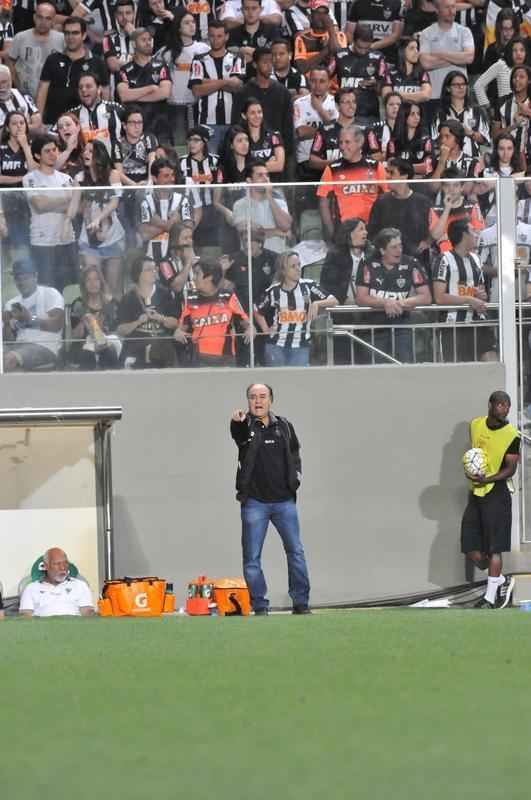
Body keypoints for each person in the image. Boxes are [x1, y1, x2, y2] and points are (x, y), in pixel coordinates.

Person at [230, 382, 311, 615]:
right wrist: (237, 422)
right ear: (248, 401)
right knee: (252, 558)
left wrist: (296, 478)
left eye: (262, 396)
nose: (258, 401)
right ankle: (260, 605)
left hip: (285, 502)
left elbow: (295, 454)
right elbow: (240, 435)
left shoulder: (284, 426)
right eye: (253, 397)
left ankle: (301, 603)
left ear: (271, 400)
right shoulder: (245, 426)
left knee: (295, 552)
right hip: (254, 503)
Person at [461, 390, 519, 609]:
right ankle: (500, 580)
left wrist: (489, 479)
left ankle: (490, 597)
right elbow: (475, 456)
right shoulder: (475, 425)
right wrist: (470, 472)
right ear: (491, 405)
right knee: (470, 547)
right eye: (501, 405)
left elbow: (510, 469)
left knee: (495, 548)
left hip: (497, 493)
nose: (504, 409)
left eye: (507, 406)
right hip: (476, 493)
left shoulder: (511, 435)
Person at [355, 227, 431, 363]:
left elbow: (425, 297)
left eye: (400, 246)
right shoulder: (368, 265)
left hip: (402, 324)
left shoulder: (411, 264)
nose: (399, 250)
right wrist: (385, 303)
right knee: (375, 368)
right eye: (394, 247)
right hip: (373, 326)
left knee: (404, 365)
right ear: (383, 250)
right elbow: (361, 298)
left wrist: (401, 303)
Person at [255, 249, 337, 366]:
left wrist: (317, 303)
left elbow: (334, 300)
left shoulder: (309, 286)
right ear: (283, 270)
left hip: (301, 346)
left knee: (297, 381)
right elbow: (258, 310)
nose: (298, 269)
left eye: (299, 265)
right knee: (278, 381)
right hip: (275, 345)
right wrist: (266, 330)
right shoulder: (274, 291)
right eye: (293, 266)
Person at [432, 219, 496, 362]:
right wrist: (469, 299)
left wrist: (481, 296)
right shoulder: (444, 259)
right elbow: (439, 297)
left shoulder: (476, 259)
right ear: (463, 235)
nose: (477, 234)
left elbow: (481, 292)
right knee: (460, 373)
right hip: (454, 325)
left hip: (478, 321)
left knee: (491, 361)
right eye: (473, 231)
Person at [22, 134, 79, 291]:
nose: (53, 154)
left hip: (66, 239)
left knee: (71, 287)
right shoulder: (30, 179)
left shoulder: (66, 178)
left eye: (54, 150)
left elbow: (77, 207)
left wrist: (52, 202)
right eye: (47, 151)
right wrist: (66, 200)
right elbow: (39, 205)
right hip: (42, 242)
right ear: (37, 155)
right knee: (47, 288)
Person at [174, 259, 252, 366]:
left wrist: (250, 329)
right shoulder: (191, 299)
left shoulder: (228, 297)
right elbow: (181, 328)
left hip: (226, 357)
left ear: (209, 277)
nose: (193, 278)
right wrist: (178, 332)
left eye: (197, 273)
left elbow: (246, 323)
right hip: (199, 358)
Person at [36, 16, 110, 126]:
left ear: (84, 35)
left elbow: (105, 95)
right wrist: (38, 119)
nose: (70, 37)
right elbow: (42, 91)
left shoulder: (97, 62)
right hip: (52, 123)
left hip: (85, 125)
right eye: (67, 33)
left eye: (75, 33)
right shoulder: (53, 59)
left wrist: (103, 122)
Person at [75, 139, 125, 298]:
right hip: (89, 240)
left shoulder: (113, 174)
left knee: (114, 289)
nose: (86, 154)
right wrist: (87, 212)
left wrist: (99, 219)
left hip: (112, 237)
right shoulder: (80, 177)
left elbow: (115, 202)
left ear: (100, 154)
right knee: (97, 288)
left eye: (90, 151)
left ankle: (115, 319)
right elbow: (78, 207)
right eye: (85, 151)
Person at [317, 124, 386, 238]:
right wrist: (333, 234)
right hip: (344, 232)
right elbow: (323, 204)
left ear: (360, 143)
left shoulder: (375, 166)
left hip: (373, 230)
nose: (342, 147)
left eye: (347, 142)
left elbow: (387, 198)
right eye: (340, 142)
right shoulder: (332, 169)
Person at [189, 20, 244, 155]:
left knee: (231, 163)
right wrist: (226, 82)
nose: (215, 40)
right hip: (207, 122)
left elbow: (237, 86)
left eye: (219, 36)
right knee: (211, 163)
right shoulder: (199, 59)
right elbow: (196, 90)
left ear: (226, 36)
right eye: (212, 36)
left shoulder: (236, 58)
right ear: (208, 36)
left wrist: (208, 82)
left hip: (232, 121)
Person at [155, 9, 209, 144]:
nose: (192, 25)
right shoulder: (166, 52)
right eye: (186, 23)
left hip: (197, 105)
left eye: (193, 22)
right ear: (178, 27)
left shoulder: (203, 49)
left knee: (197, 144)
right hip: (174, 106)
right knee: (180, 145)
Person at [117, 253, 179, 368]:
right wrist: (138, 322)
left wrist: (160, 318)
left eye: (154, 268)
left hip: (162, 352)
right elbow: (120, 330)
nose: (154, 271)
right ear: (139, 274)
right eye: (148, 269)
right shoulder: (128, 298)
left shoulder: (165, 294)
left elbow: (176, 323)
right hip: (135, 351)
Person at [2, 258, 64, 372]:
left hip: (45, 346)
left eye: (25, 277)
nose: (21, 282)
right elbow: (8, 339)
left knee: (10, 359)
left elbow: (57, 325)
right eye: (17, 278)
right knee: (10, 360)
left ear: (35, 276)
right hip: (17, 346)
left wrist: (30, 319)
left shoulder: (50, 293)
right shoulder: (11, 303)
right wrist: (6, 324)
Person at [419, 0, 474, 124]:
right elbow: (426, 63)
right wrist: (457, 57)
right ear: (437, 10)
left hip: (459, 96)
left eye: (453, 7)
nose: (452, 11)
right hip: (434, 96)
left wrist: (439, 54)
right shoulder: (426, 33)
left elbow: (469, 58)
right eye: (447, 7)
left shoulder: (464, 32)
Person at [116, 28, 172, 144]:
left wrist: (134, 95)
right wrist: (151, 88)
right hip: (134, 127)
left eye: (150, 40)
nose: (148, 42)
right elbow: (124, 96)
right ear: (133, 44)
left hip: (159, 125)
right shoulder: (125, 70)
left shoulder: (161, 66)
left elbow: (164, 93)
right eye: (143, 40)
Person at [368, 158, 431, 258]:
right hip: (387, 261)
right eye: (387, 172)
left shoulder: (422, 202)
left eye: (391, 173)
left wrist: (428, 241)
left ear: (405, 176)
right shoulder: (381, 201)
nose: (387, 176)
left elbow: (432, 229)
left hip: (416, 259)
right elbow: (372, 233)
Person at [334, 25, 390, 126]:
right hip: (344, 114)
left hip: (369, 115)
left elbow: (385, 86)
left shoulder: (378, 58)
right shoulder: (339, 56)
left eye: (367, 48)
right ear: (353, 41)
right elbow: (324, 76)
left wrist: (376, 84)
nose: (363, 51)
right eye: (360, 47)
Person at [231, 160, 292, 253]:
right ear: (249, 181)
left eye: (267, 175)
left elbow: (285, 226)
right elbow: (249, 234)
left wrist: (270, 197)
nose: (266, 179)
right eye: (260, 175)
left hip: (277, 258)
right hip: (252, 259)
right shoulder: (240, 205)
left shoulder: (279, 203)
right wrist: (277, 232)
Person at [7, 1, 63, 100]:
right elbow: (10, 62)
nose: (43, 22)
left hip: (53, 97)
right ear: (34, 17)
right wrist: (18, 87)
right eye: (40, 17)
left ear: (53, 21)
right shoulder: (20, 37)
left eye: (48, 18)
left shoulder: (62, 39)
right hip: (25, 97)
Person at [69, 265, 120, 369]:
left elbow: (116, 332)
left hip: (108, 342)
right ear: (84, 284)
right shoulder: (78, 304)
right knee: (87, 353)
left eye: (96, 279)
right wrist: (84, 321)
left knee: (108, 351)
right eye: (88, 280)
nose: (93, 283)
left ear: (101, 282)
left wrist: (98, 327)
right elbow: (75, 336)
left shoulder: (112, 303)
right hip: (84, 345)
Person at [19, 547, 95, 617]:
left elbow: (87, 614)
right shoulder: (31, 588)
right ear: (46, 566)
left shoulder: (80, 585)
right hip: (42, 630)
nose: (62, 567)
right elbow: (25, 617)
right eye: (57, 564)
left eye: (65, 563)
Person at [431, 72, 490, 160]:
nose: (461, 87)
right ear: (448, 88)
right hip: (448, 161)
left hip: (473, 160)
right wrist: (449, 133)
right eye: (456, 85)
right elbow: (434, 141)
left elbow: (486, 141)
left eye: (463, 84)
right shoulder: (440, 114)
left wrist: (470, 133)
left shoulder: (477, 111)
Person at [69, 72, 124, 165]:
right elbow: (54, 136)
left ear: (99, 89)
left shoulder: (115, 109)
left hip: (113, 167)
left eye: (88, 86)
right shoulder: (72, 115)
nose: (83, 90)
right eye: (80, 87)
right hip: (84, 169)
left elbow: (134, 129)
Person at [293, 66, 337, 180]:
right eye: (313, 81)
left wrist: (320, 110)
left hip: (330, 159)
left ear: (329, 83)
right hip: (305, 161)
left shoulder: (336, 103)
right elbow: (300, 132)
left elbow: (339, 131)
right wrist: (329, 128)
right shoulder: (299, 103)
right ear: (309, 82)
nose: (317, 85)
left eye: (322, 81)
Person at [387, 37, 432, 105]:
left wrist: (397, 95)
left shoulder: (422, 73)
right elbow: (387, 96)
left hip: (415, 114)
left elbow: (426, 95)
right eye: (412, 48)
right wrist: (416, 97)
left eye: (417, 48)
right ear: (402, 51)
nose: (416, 52)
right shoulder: (390, 73)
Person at [0, 64, 41, 133]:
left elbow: (37, 123)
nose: (1, 87)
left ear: (11, 80)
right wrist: (26, 124)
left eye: (4, 82)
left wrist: (10, 129)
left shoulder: (23, 94)